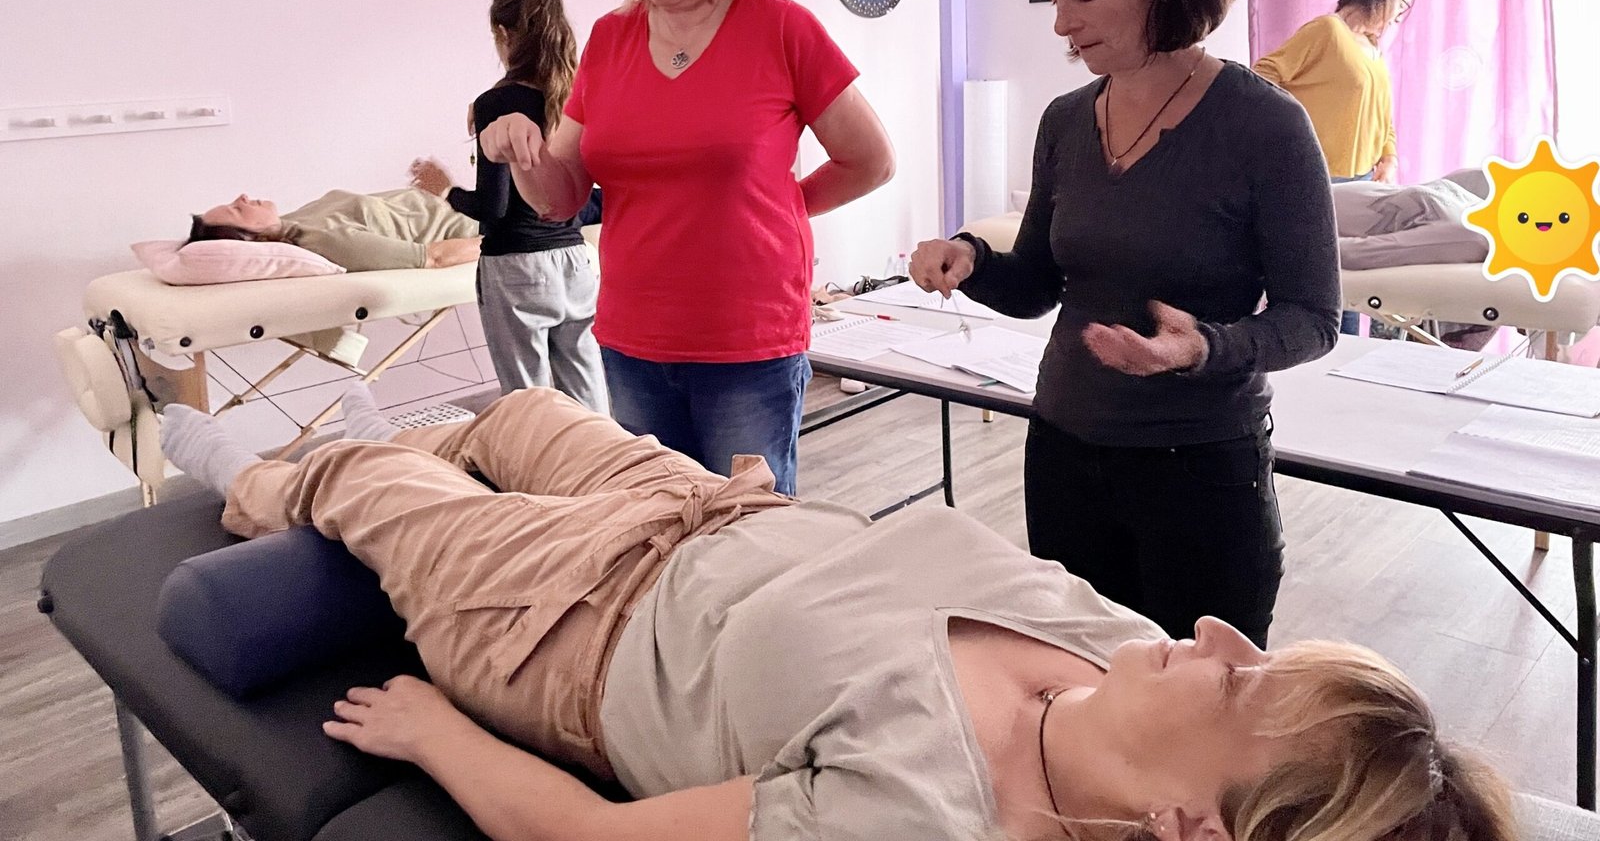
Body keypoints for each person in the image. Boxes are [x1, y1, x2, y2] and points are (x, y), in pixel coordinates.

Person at [154, 388, 1516, 841]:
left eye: (1241, 685)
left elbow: (588, 835)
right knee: (518, 411)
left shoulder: (919, 811)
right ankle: (400, 450)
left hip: (562, 624)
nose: (1218, 637)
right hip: (708, 509)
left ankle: (252, 472)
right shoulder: (1121, 653)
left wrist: (435, 734)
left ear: (1193, 827)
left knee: (368, 482)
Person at [910, 0, 1340, 647]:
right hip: (1063, 451)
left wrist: (1202, 348)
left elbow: (1313, 319)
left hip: (1200, 470)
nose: (1061, 23)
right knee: (1086, 682)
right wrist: (970, 259)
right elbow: (1037, 285)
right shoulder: (1066, 121)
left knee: (1200, 701)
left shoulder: (1264, 126)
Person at [477, 0, 896, 495]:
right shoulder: (610, 41)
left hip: (747, 338)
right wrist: (521, 152)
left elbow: (869, 160)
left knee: (747, 525)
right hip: (633, 337)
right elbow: (560, 199)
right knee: (657, 522)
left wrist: (784, 206)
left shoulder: (781, 29)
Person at [409, 0, 606, 411]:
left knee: (528, 404)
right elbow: (593, 198)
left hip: (518, 269)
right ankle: (604, 457)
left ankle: (541, 460)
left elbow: (492, 208)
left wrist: (442, 188)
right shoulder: (578, 96)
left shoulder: (497, 103)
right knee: (590, 398)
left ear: (503, 33)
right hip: (577, 265)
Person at [1253, 0, 1416, 334]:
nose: (1401, 16)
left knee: (1349, 286)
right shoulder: (1327, 31)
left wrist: (1389, 156)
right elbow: (1264, 75)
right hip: (1322, 178)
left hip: (1363, 181)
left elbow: (1383, 113)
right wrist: (1294, 131)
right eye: (1401, 4)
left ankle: (1348, 357)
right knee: (1323, 286)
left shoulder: (1373, 47)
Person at [188, 189, 480, 270]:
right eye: (237, 210)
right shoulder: (326, 241)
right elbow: (433, 257)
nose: (241, 197)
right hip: (479, 223)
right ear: (258, 239)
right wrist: (503, 239)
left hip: (463, 201)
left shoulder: (295, 220)